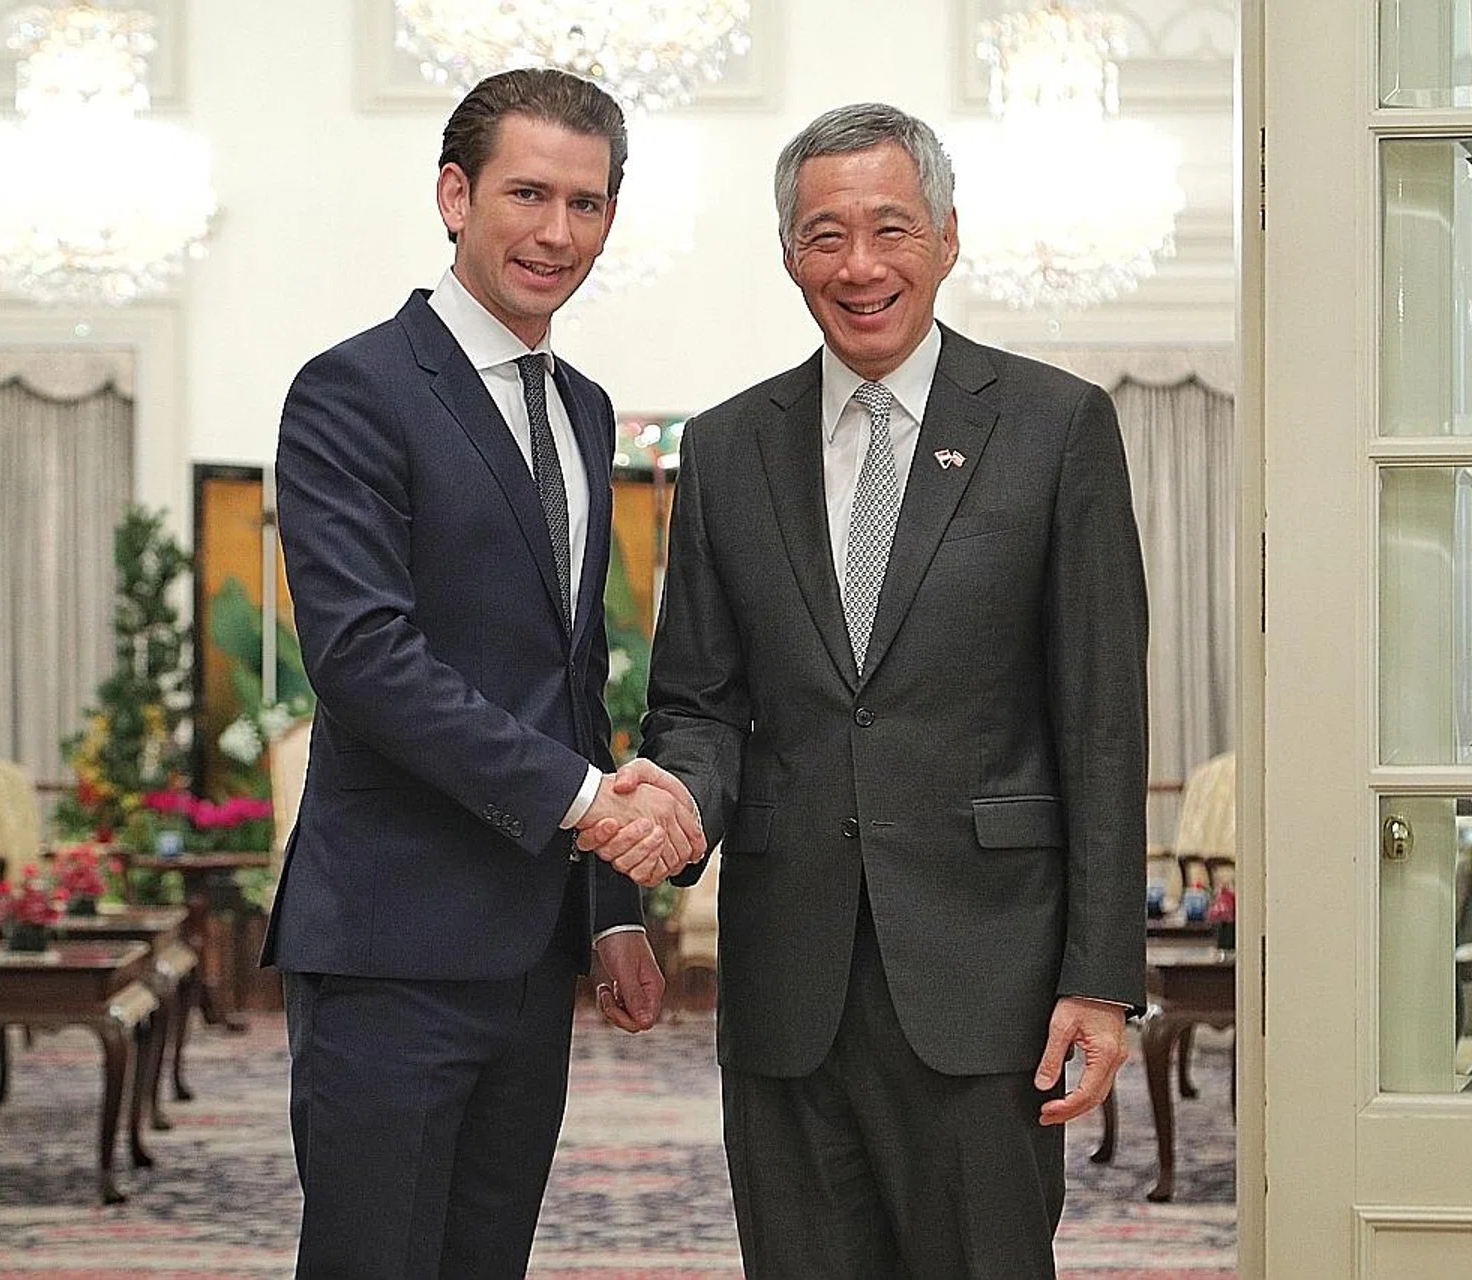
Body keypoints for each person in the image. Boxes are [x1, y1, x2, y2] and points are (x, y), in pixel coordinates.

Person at [583, 102, 1149, 1278]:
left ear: (947, 235)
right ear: (788, 253)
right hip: (789, 985)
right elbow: (698, 702)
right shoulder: (732, 445)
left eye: (891, 227)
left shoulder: (1054, 428)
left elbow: (1100, 726)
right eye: (824, 235)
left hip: (985, 980)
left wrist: (1101, 977)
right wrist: (675, 803)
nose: (860, 265)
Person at [260, 67, 704, 1279]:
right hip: (392, 943)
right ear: (455, 195)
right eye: (527, 193)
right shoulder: (352, 389)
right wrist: (590, 805)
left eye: (589, 202)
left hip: (529, 949)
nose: (559, 233)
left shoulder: (587, 408)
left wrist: (608, 908)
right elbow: (362, 659)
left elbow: (568, 676)